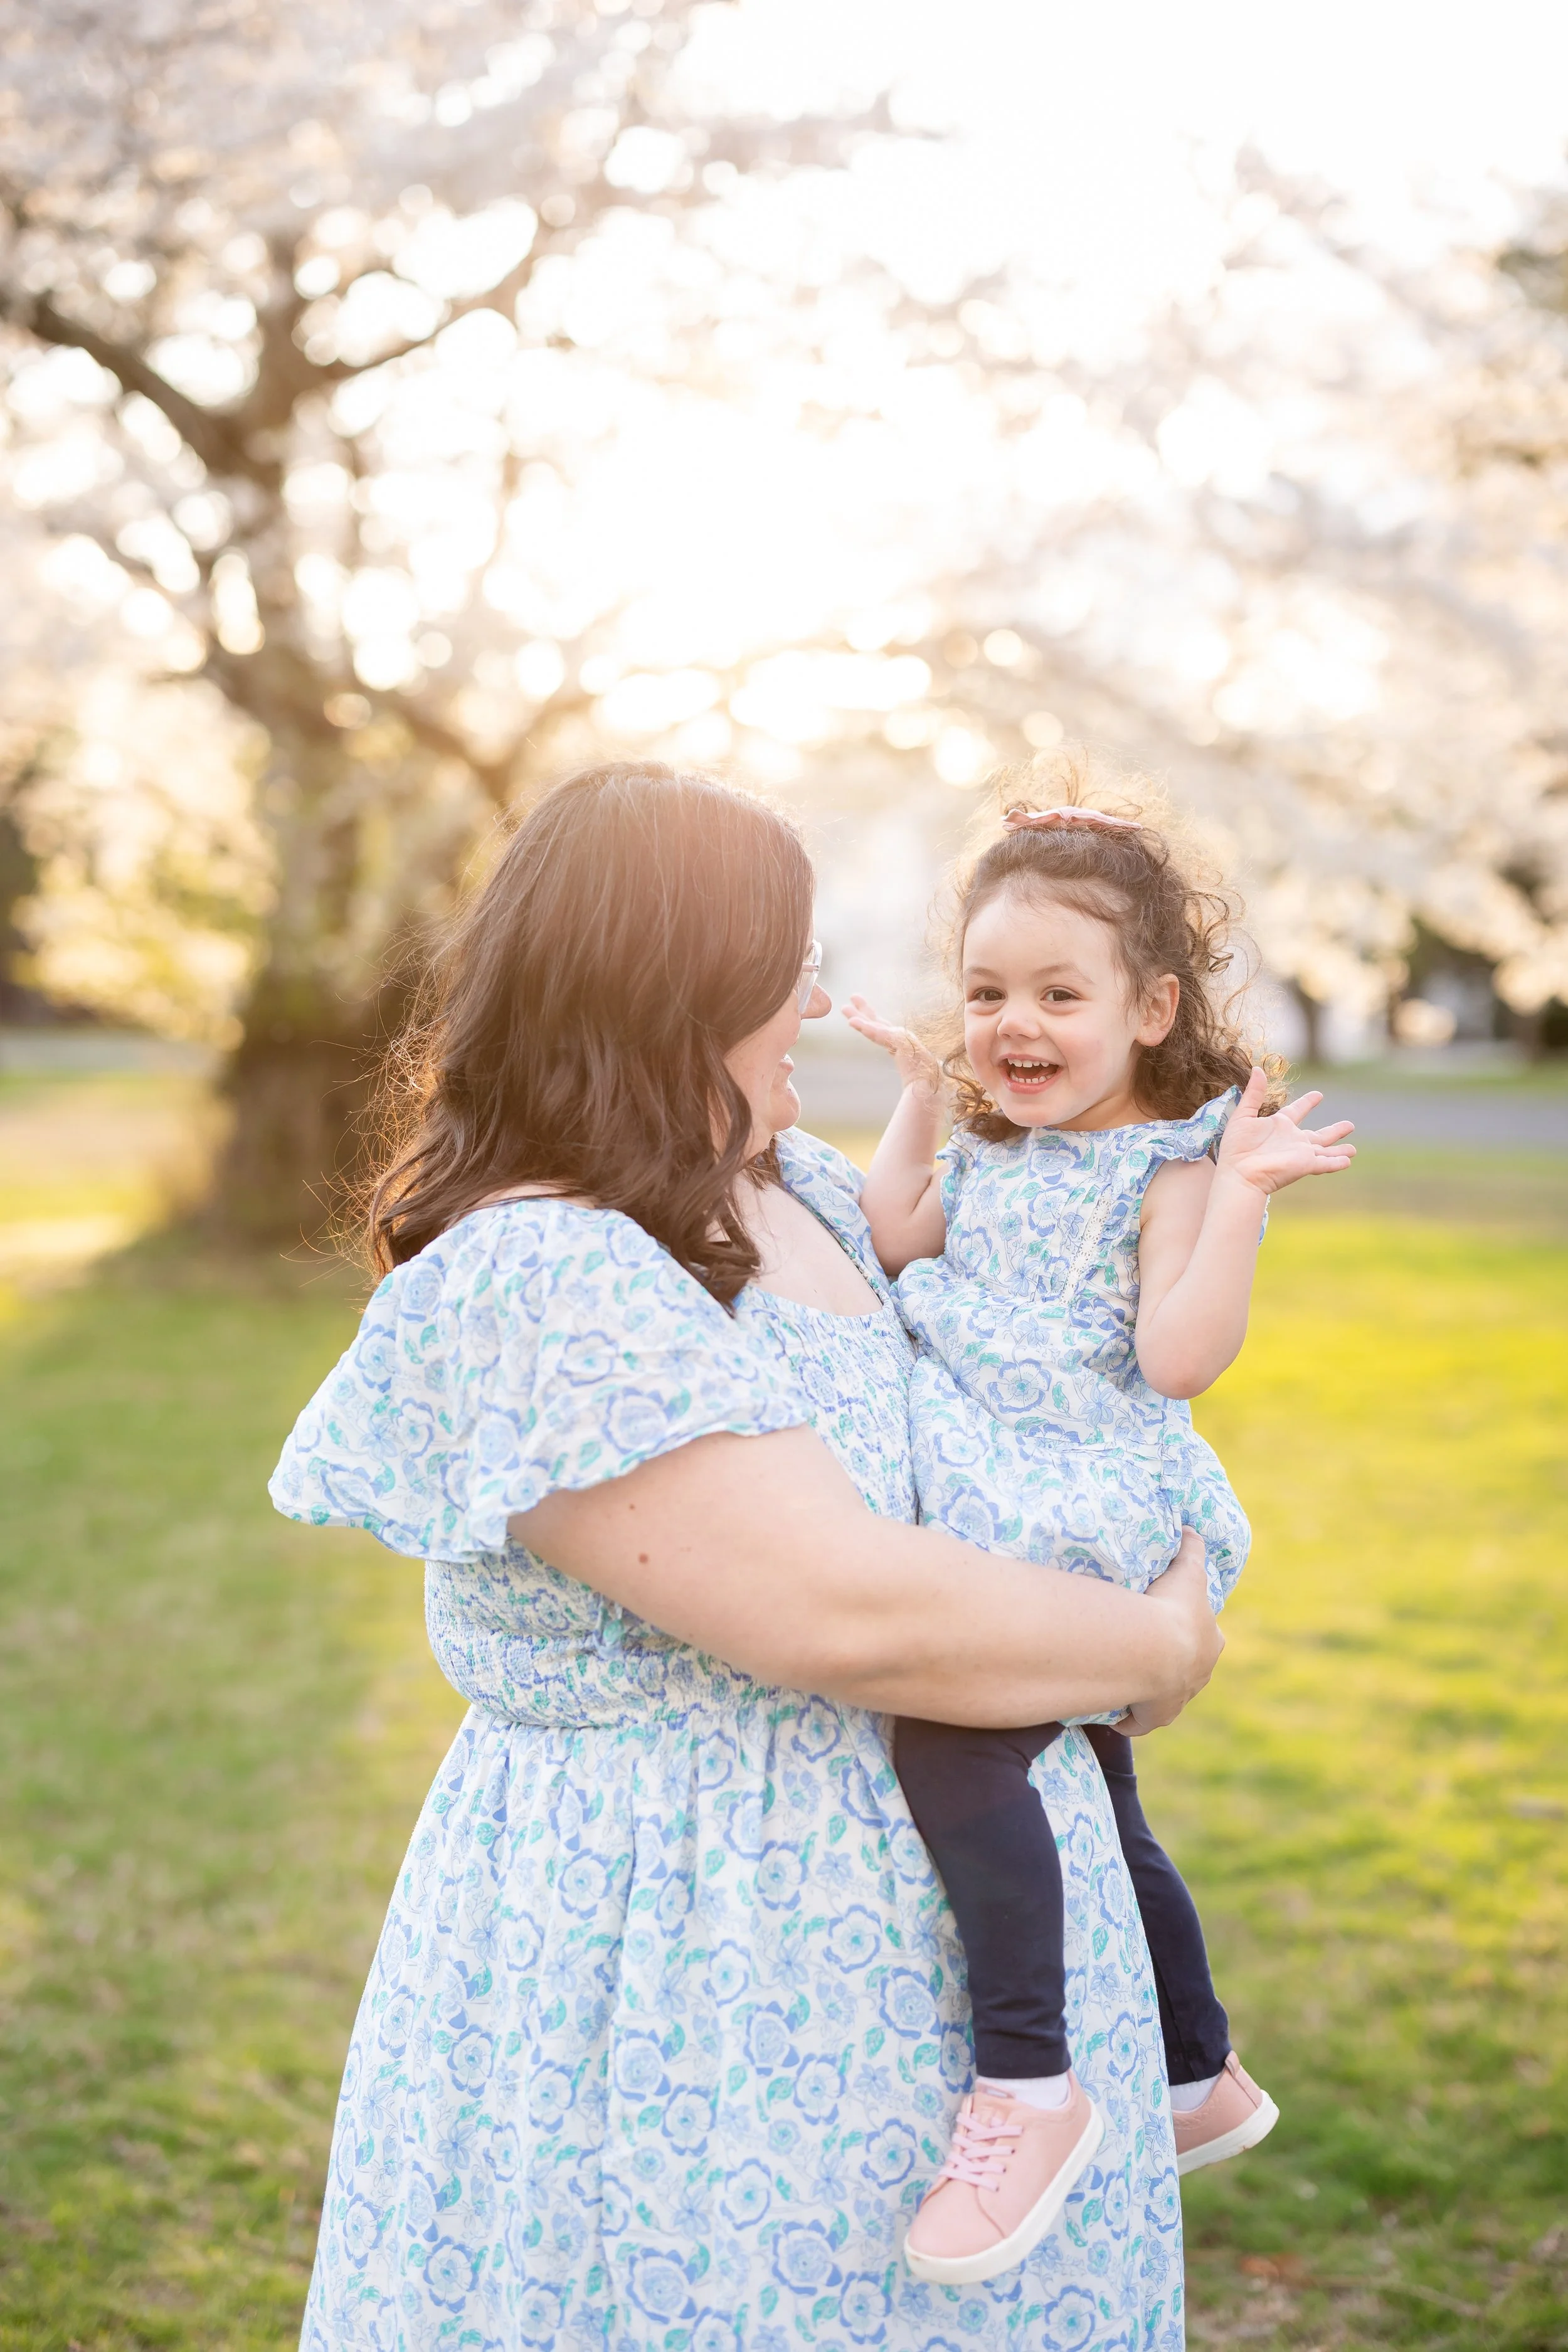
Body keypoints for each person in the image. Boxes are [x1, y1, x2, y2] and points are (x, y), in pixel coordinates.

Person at [270, 761, 1221, 2352]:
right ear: (684, 986)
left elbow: (1040, 1388)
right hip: (693, 1986)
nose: (810, 999)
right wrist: (1158, 1643)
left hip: (951, 1978)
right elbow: (838, 1610)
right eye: (783, 965)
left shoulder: (803, 1196)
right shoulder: (542, 1267)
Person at [842, 751, 1355, 2284]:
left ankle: (1027, 2082)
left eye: (1058, 996)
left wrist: (1241, 1195)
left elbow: (1175, 1358)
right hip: (993, 1468)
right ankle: (1194, 2070)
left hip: (1075, 1484)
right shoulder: (997, 1144)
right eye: (985, 993)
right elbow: (891, 1238)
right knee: (1088, 1782)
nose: (1013, 1026)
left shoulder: (1166, 1166)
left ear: (1149, 1011)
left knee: (954, 1728)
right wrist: (917, 1108)